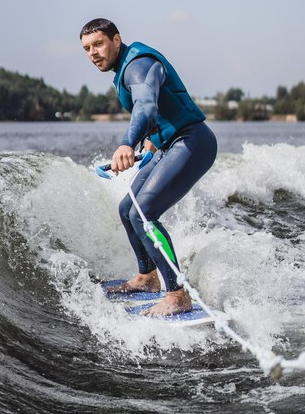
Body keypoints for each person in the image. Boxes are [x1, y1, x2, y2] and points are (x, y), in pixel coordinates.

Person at [80, 18, 217, 316]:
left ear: (117, 40)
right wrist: (152, 142)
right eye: (87, 48)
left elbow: (146, 105)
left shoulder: (137, 65)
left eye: (99, 44)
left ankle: (177, 294)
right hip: (169, 145)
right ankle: (147, 277)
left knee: (146, 214)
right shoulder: (124, 68)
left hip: (192, 142)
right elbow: (161, 110)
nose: (93, 53)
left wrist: (128, 143)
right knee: (128, 210)